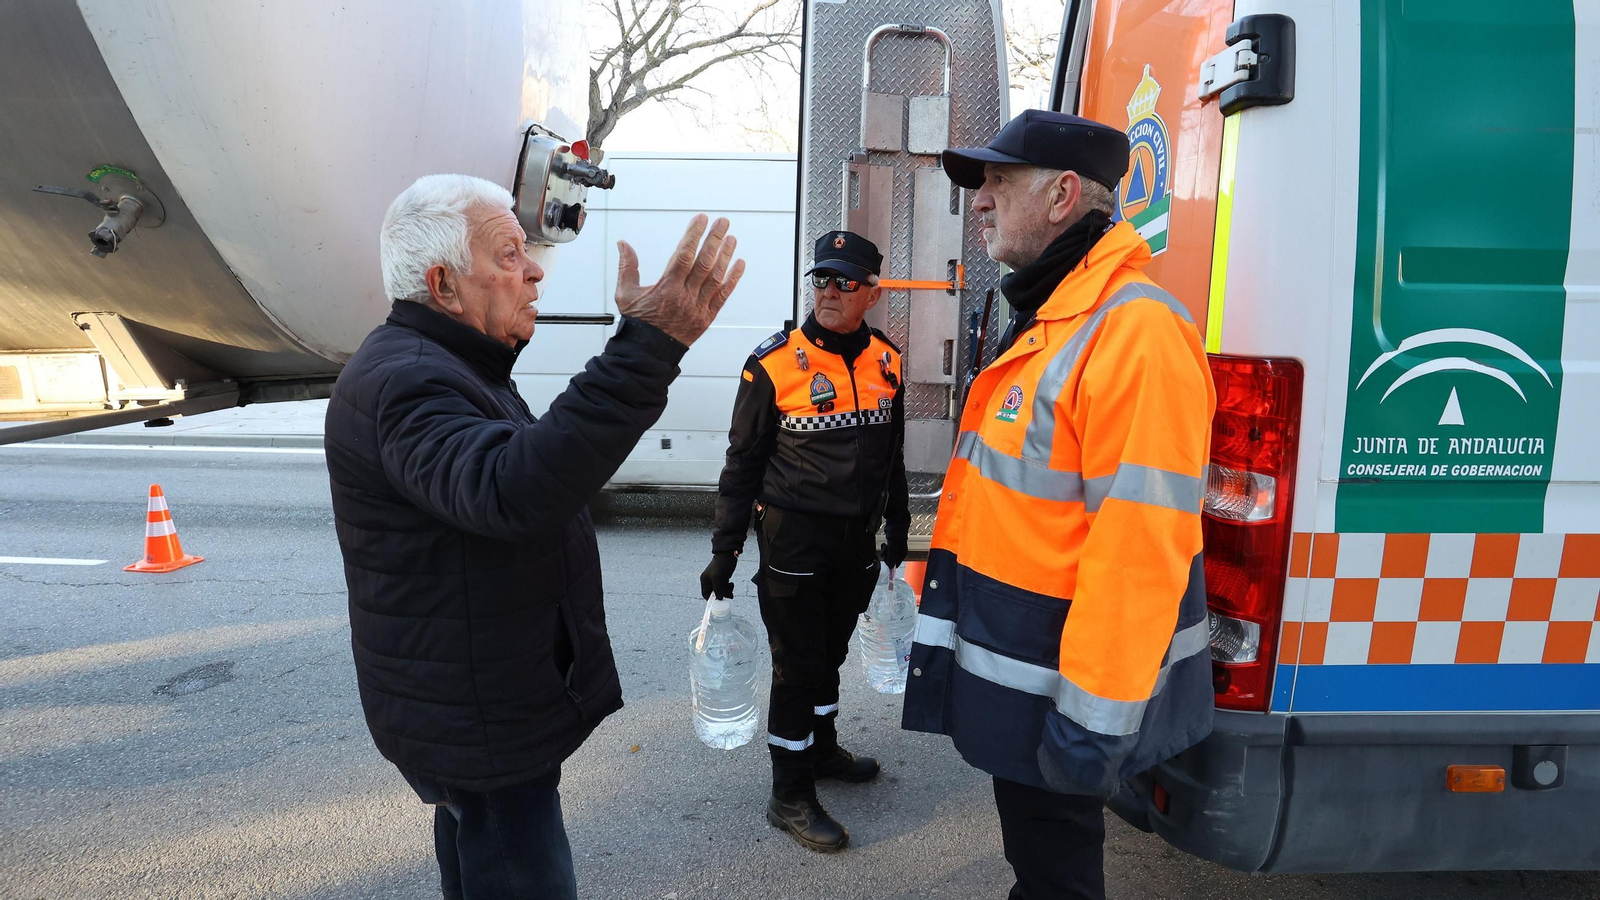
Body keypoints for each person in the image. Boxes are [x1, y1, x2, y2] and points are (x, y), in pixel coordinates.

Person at [324, 173, 744, 900]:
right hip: (477, 720)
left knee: (478, 846)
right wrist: (645, 348)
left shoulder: (445, 362)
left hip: (470, 711)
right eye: (510, 253)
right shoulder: (410, 380)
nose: (535, 269)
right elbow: (511, 488)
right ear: (444, 284)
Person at [900, 110, 1217, 899]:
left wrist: (1090, 729)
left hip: (1064, 694)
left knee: (1057, 881)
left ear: (1062, 196)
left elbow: (1139, 551)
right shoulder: (1053, 311)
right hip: (1028, 675)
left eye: (997, 183)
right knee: (1041, 873)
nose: (980, 201)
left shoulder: (1134, 331)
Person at [702, 230, 910, 853]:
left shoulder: (887, 361)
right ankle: (788, 795)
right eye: (819, 279)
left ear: (871, 293)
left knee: (832, 655)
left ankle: (820, 752)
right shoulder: (771, 364)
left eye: (844, 281)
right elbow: (741, 466)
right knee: (798, 669)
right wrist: (724, 553)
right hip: (793, 543)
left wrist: (897, 528)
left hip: (856, 546)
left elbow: (892, 458)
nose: (827, 291)